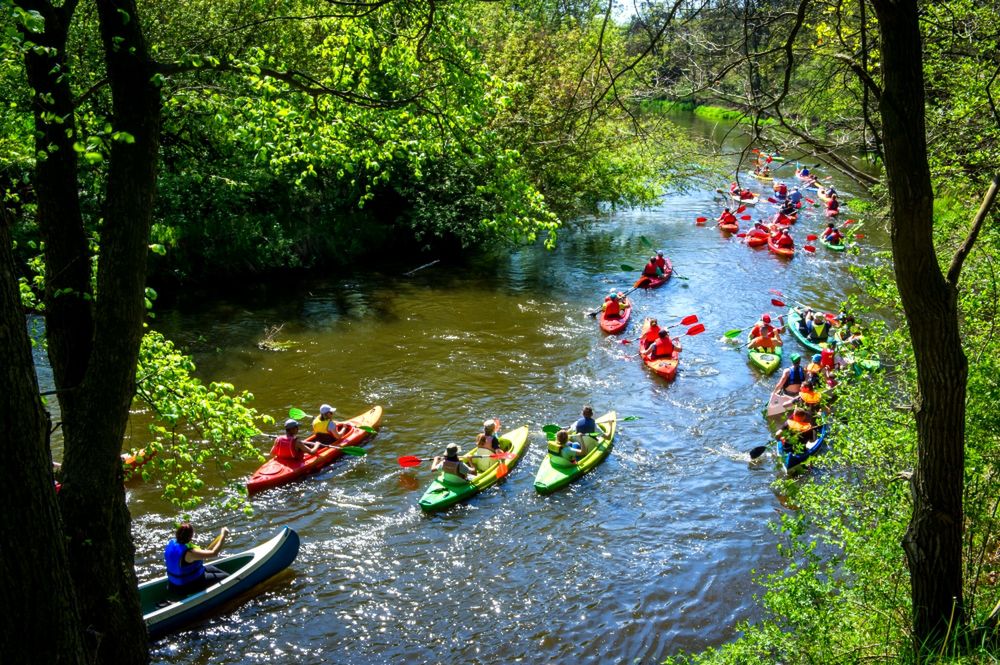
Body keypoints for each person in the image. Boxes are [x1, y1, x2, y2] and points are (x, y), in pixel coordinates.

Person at [164, 522, 230, 594]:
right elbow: (214, 553)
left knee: (212, 568)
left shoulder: (171, 542)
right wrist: (223, 535)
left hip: (173, 584)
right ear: (190, 536)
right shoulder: (190, 553)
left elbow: (206, 552)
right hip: (185, 586)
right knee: (227, 577)